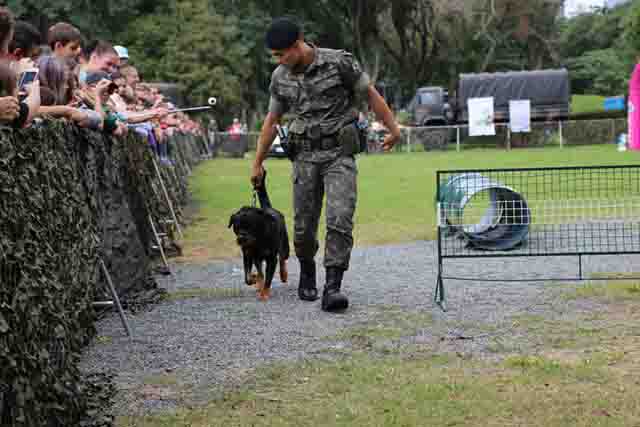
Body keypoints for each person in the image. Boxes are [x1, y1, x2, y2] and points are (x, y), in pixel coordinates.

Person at [250, 17, 400, 312]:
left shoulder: (338, 63)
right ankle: (307, 270)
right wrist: (257, 162)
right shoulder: (280, 77)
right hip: (304, 157)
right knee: (304, 227)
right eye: (275, 56)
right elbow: (272, 121)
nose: (278, 61)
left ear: (297, 45)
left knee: (340, 218)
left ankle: (333, 286)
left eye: (282, 54)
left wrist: (393, 128)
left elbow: (370, 95)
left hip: (338, 155)